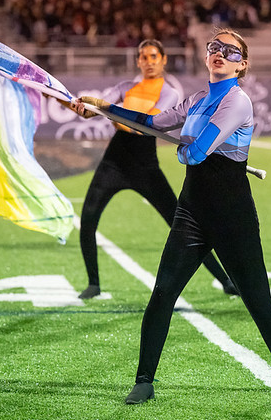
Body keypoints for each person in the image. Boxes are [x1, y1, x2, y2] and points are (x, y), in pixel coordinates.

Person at [74, 28, 271, 404]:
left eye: (230, 51)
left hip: (233, 217)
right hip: (192, 213)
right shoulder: (198, 98)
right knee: (163, 293)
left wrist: (186, 144)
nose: (220, 53)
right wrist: (101, 107)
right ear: (206, 57)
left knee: (257, 298)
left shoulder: (239, 102)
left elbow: (196, 153)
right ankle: (144, 380)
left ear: (242, 64)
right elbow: (151, 123)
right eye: (214, 47)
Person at [74, 39, 238, 299]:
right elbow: (99, 108)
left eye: (153, 57)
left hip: (145, 166)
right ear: (138, 61)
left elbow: (143, 125)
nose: (148, 62)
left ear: (163, 60)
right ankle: (93, 283)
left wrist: (106, 112)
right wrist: (84, 108)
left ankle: (226, 281)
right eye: (144, 57)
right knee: (88, 219)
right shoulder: (125, 87)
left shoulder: (169, 92)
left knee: (182, 224)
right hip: (114, 162)